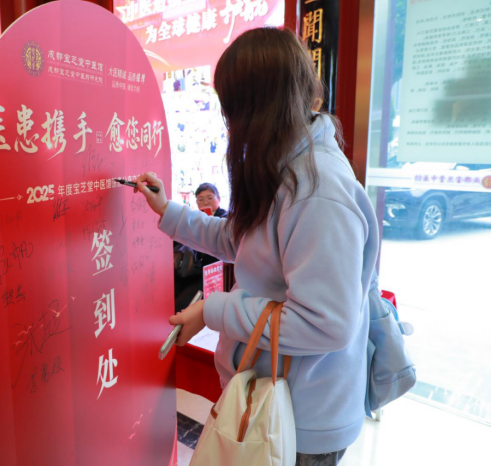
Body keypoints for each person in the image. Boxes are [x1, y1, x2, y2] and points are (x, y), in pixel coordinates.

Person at [135, 28, 378, 465]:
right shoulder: (285, 166)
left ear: (257, 109)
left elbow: (326, 323)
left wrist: (213, 310)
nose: (230, 126)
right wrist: (168, 211)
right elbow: (240, 239)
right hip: (276, 399)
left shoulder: (318, 191)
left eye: (231, 111)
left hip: (300, 419)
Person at [173, 183, 227, 313]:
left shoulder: (225, 218)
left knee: (182, 304)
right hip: (189, 269)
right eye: (201, 199)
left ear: (219, 199)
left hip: (210, 273)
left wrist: (209, 222)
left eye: (210, 198)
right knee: (170, 290)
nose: (205, 202)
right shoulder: (193, 217)